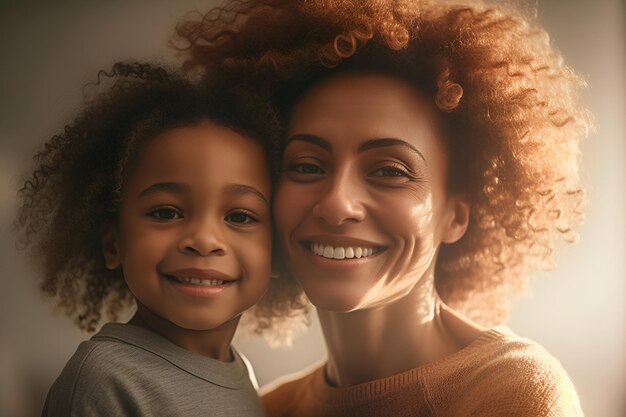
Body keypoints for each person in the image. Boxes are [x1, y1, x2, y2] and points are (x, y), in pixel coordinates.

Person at [175, 0, 591, 415]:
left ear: (457, 214)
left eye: (389, 171)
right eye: (306, 165)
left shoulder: (515, 394)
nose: (337, 203)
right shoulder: (269, 408)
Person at [15, 62, 284, 416]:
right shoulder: (104, 380)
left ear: (276, 252)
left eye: (239, 216)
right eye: (166, 213)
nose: (203, 240)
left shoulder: (241, 373)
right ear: (114, 244)